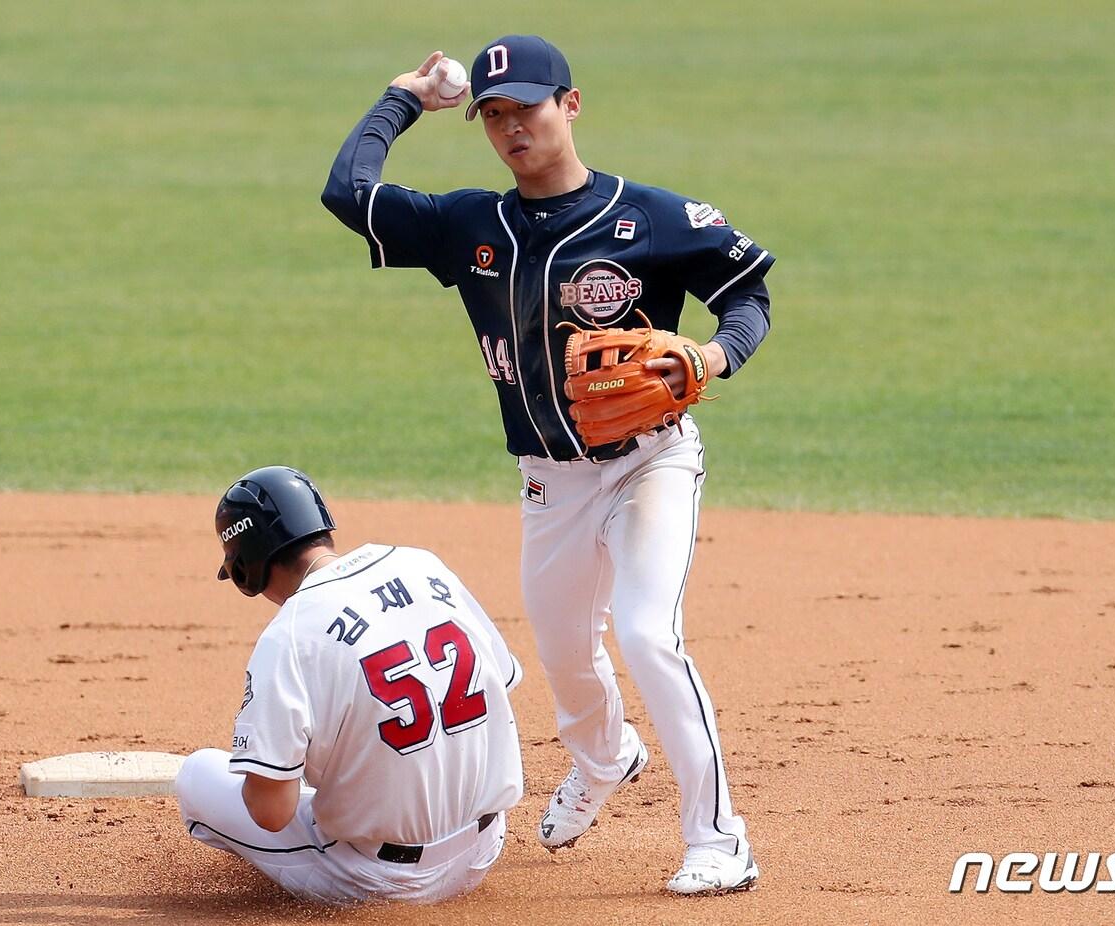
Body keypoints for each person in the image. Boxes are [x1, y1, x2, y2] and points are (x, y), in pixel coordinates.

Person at [320, 35, 772, 895]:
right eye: (493, 115)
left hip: (652, 465)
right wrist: (402, 99)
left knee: (644, 630)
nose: (510, 128)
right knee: (567, 659)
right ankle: (605, 758)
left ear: (569, 105)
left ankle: (719, 840)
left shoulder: (656, 218)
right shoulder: (468, 228)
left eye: (526, 108)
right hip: (548, 481)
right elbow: (348, 193)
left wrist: (714, 360)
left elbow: (748, 293)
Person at [174, 465, 524, 905]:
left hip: (378, 880)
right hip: (484, 849)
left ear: (248, 569)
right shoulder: (422, 563)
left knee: (197, 775)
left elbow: (270, 813)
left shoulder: (290, 632)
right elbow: (502, 682)